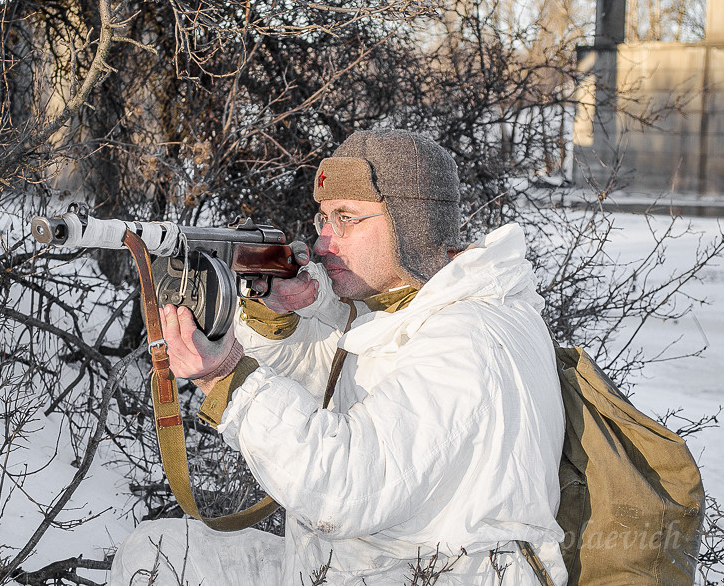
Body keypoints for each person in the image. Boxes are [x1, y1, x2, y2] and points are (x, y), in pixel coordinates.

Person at [109, 129, 567, 585]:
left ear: (411, 225)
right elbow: (319, 386)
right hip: (346, 564)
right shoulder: (399, 307)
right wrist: (276, 317)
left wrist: (227, 376)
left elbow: (344, 490)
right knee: (155, 553)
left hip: (419, 573)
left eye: (346, 218)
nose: (324, 243)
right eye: (324, 219)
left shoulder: (468, 338)